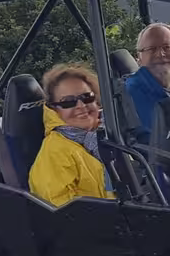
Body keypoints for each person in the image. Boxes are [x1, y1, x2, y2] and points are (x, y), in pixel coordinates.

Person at [28, 63, 115, 206]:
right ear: (54, 110)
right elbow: (62, 215)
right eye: (68, 102)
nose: (81, 105)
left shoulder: (110, 136)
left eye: (87, 97)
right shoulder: (55, 152)